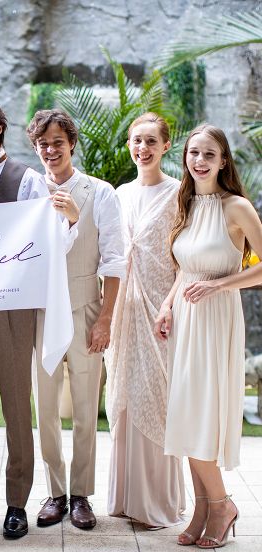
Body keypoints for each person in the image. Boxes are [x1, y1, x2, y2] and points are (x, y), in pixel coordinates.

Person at [0, 96, 72, 539]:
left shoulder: (28, 181)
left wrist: (69, 221)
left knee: (17, 404)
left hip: (11, 305)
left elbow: (52, 240)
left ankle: (17, 502)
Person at [155, 124, 262, 548]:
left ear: (223, 161)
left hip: (216, 319)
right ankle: (203, 508)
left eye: (209, 154)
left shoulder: (236, 207)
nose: (199, 161)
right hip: (185, 318)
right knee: (185, 416)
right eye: (193, 153)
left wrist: (219, 285)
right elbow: (184, 270)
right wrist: (167, 306)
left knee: (200, 415)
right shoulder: (186, 204)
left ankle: (221, 505)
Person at [26, 109, 125, 530]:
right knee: (45, 407)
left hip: (85, 307)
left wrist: (105, 319)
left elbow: (115, 261)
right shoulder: (27, 191)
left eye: (58, 143)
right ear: (35, 147)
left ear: (72, 144)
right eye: (43, 144)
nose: (51, 150)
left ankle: (82, 494)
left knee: (86, 408)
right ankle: (55, 493)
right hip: (40, 312)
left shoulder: (100, 192)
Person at [105, 113, 185, 528]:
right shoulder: (119, 194)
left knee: (156, 395)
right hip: (123, 310)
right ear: (129, 145)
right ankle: (125, 497)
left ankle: (156, 501)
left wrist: (169, 305)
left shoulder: (180, 193)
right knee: (123, 396)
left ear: (166, 145)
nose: (143, 148)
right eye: (137, 140)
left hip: (160, 308)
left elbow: (185, 258)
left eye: (152, 141)